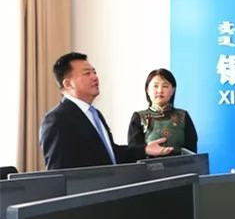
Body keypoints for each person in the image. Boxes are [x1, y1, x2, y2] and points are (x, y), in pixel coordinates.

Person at [40, 52, 173, 170]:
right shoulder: (57, 119)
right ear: (68, 84)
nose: (94, 77)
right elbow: (59, 173)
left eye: (94, 72)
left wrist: (145, 149)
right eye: (87, 73)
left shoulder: (94, 114)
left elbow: (110, 153)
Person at [128, 68, 198, 154]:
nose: (160, 90)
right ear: (147, 90)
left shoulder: (183, 116)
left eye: (165, 86)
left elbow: (192, 152)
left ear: (173, 90)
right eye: (155, 86)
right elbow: (134, 153)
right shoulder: (139, 117)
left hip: (180, 163)